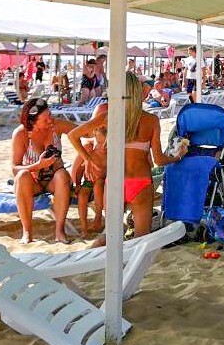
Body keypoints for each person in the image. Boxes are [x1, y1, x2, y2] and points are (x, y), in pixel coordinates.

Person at [70, 72, 178, 245]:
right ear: (138, 91)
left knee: (109, 237)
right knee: (141, 240)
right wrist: (177, 158)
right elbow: (158, 160)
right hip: (140, 181)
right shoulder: (151, 120)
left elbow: (73, 135)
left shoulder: (108, 117)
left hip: (115, 181)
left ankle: (89, 258)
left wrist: (88, 159)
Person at [11, 98, 76, 243]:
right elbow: (15, 168)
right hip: (33, 181)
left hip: (54, 179)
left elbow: (83, 132)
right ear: (32, 121)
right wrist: (38, 165)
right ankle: (27, 232)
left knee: (62, 175)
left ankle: (59, 231)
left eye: (50, 115)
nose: (49, 120)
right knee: (22, 175)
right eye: (45, 118)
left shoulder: (56, 125)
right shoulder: (21, 134)